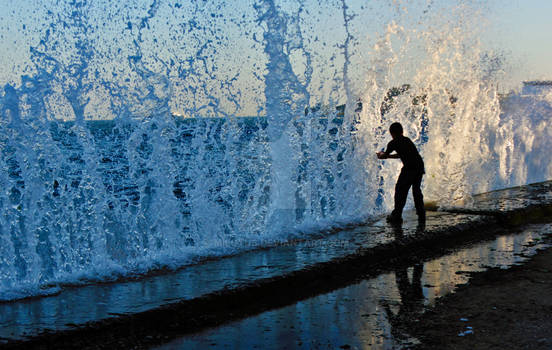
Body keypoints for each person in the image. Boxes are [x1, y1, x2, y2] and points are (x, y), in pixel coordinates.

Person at [376, 122, 425, 223]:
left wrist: (380, 155)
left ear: (391, 133)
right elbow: (401, 154)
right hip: (419, 166)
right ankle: (421, 213)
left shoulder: (393, 143)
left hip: (409, 168)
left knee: (400, 190)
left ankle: (397, 215)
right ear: (402, 131)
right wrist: (388, 156)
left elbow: (384, 156)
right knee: (416, 191)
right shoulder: (406, 140)